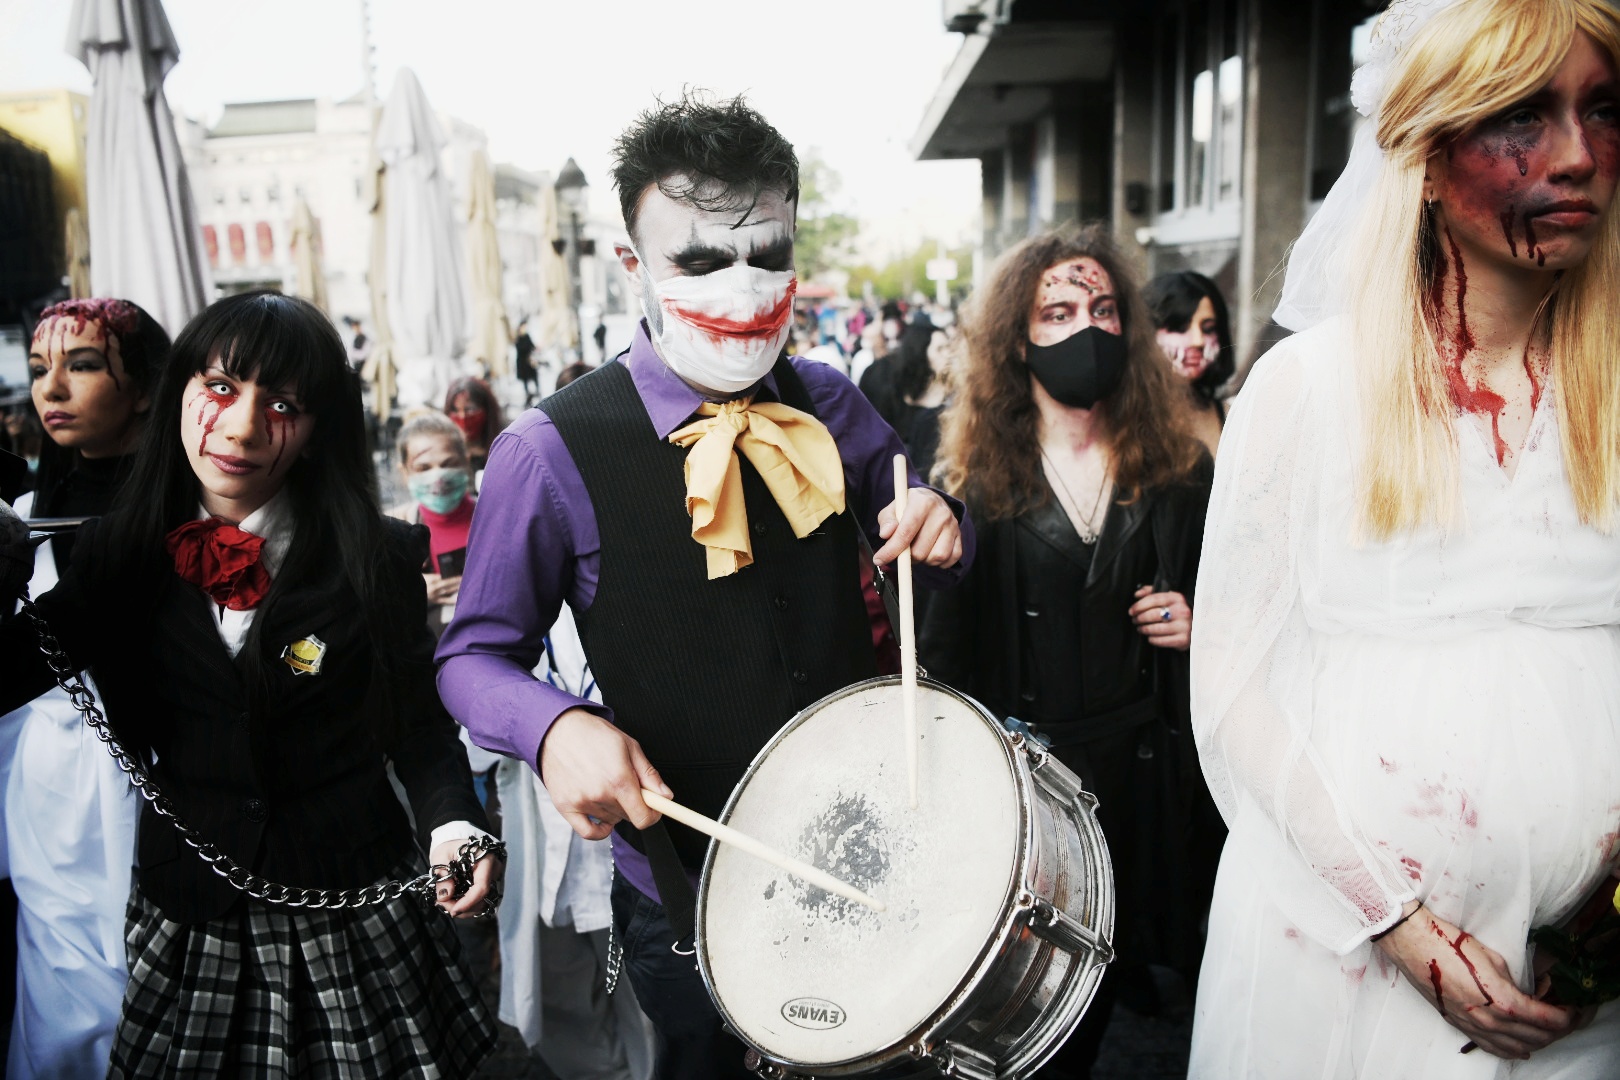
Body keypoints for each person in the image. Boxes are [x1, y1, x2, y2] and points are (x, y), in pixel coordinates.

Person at [436, 91, 972, 1080]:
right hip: (688, 890)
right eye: (698, 261)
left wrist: (943, 521)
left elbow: (929, 531)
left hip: (874, 844)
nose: (742, 285)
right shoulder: (547, 450)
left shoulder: (830, 400)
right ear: (632, 265)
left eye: (767, 254)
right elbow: (471, 655)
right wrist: (553, 728)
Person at [1191, 1, 1620, 1075]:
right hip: (1342, 968)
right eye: (1522, 115)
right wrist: (1397, 922)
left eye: (1606, 110)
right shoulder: (1306, 386)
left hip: (1583, 996)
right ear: (1426, 160)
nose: (1577, 155)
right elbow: (1233, 692)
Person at [0, 291, 500, 1076]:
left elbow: (418, 726)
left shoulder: (377, 556)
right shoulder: (117, 553)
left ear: (317, 429)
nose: (240, 427)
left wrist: (453, 823)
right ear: (177, 395)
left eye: (283, 404)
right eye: (221, 387)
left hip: (350, 901)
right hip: (190, 907)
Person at [919, 225, 1218, 1079]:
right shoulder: (973, 488)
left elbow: (1246, 610)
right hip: (1037, 793)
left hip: (1150, 781)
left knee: (1147, 989)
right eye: (1057, 312)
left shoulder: (1179, 473)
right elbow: (943, 665)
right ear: (1018, 340)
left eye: (1103, 309)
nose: (1086, 327)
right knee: (1041, 1014)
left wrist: (1201, 622)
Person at [2, 298, 168, 1077]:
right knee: (63, 1000)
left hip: (169, 775)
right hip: (53, 792)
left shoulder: (196, 512)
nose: (52, 388)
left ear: (146, 387)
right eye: (40, 370)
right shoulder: (22, 519)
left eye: (84, 365)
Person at [387, 412, 476, 640]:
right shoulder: (391, 533)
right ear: (405, 472)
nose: (438, 478)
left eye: (448, 464)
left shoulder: (497, 517)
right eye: (424, 468)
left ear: (465, 461)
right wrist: (409, 588)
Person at [1143, 270, 1233, 457]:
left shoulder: (1232, 418)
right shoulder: (1120, 417)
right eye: (1180, 328)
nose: (1198, 341)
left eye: (1208, 329)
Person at [889, 318, 956, 482]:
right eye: (939, 349)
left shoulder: (952, 401)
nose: (948, 354)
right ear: (920, 353)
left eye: (948, 347)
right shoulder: (897, 399)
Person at [444, 375, 505, 474]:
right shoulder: (446, 453)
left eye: (470, 409)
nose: (462, 417)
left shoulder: (503, 448)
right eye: (455, 411)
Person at [515, 319, 540, 405]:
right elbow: (520, 348)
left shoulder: (527, 336)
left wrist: (536, 348)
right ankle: (527, 394)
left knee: (534, 375)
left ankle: (537, 390)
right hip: (522, 362)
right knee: (525, 379)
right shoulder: (518, 338)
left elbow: (531, 345)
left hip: (529, 360)